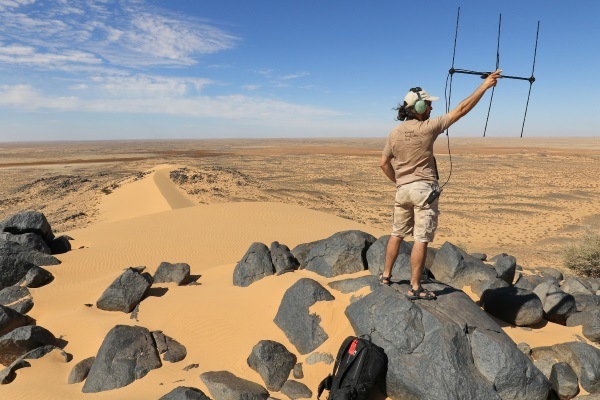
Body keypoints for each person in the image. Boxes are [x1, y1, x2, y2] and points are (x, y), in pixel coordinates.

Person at [379, 69, 502, 300]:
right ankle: (415, 287)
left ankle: (385, 276)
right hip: (423, 190)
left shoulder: (394, 133)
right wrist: (485, 86)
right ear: (418, 108)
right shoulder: (428, 127)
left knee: (396, 234)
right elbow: (462, 110)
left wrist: (399, 181)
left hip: (402, 191)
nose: (431, 108)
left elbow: (383, 163)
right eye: (427, 104)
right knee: (421, 238)